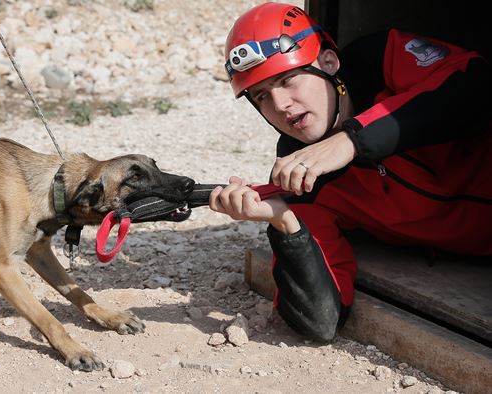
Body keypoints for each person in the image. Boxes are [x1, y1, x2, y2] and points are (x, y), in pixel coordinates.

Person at [209, 2, 492, 341]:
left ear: (328, 62)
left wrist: (353, 140)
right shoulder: (299, 175)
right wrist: (285, 224)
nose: (280, 105)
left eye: (288, 80)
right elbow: (321, 320)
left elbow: (477, 85)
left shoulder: (380, 58)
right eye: (262, 96)